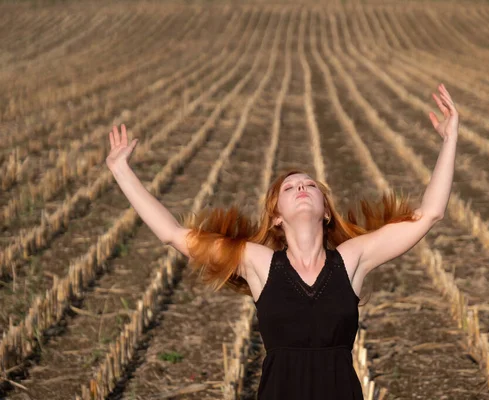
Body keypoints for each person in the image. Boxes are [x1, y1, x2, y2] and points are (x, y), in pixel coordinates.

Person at [106, 83, 458, 399]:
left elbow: (429, 214)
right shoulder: (257, 262)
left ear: (325, 211)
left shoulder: (352, 259)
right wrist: (121, 170)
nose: (301, 188)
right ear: (276, 216)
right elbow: (172, 234)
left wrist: (450, 138)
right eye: (289, 188)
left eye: (309, 185)